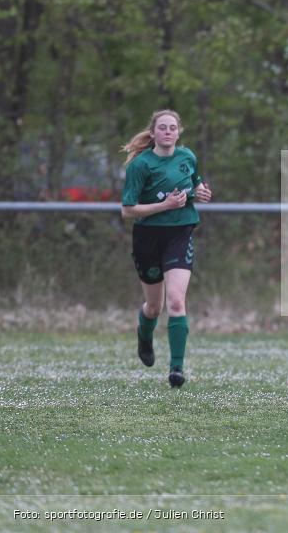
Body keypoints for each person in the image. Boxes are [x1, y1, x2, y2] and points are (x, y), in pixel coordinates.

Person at [121, 109, 213, 388]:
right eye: (162, 127)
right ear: (153, 133)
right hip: (148, 237)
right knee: (154, 306)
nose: (168, 132)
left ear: (179, 131)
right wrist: (164, 205)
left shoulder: (187, 157)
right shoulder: (140, 166)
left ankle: (176, 369)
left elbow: (196, 185)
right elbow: (128, 210)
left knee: (175, 301)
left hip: (180, 233)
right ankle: (145, 336)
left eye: (173, 127)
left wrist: (202, 192)